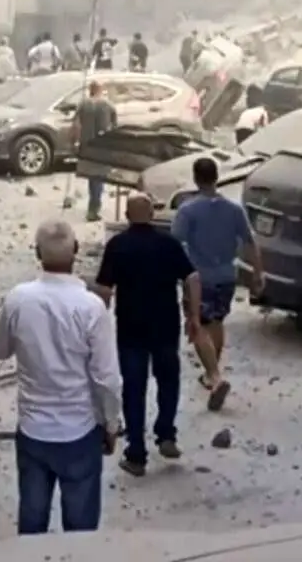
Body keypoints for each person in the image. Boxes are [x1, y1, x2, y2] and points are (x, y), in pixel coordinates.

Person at [0, 219, 122, 535]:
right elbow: (106, 378)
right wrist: (111, 424)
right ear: (76, 250)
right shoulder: (91, 307)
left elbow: (0, 351)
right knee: (80, 529)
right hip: (79, 430)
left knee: (32, 520)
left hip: (33, 429)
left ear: (37, 253)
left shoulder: (18, 299)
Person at [88, 192, 201, 477]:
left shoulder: (118, 245)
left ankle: (136, 453)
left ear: (127, 216)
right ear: (152, 215)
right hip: (166, 325)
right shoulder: (168, 243)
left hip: (131, 328)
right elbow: (192, 277)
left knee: (134, 388)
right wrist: (194, 317)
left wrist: (96, 328)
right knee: (168, 380)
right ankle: (166, 434)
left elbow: (104, 290)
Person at [171, 157, 265, 412]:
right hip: (227, 276)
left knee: (198, 324)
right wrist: (258, 273)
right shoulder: (234, 210)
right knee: (217, 322)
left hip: (198, 278)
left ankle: (214, 376)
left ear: (195, 178)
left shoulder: (188, 210)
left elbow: (174, 244)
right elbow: (250, 242)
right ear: (217, 177)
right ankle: (211, 372)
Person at [73, 81, 116, 222]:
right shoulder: (108, 105)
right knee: (98, 177)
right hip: (103, 146)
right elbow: (115, 127)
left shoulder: (83, 104)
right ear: (100, 90)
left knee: (93, 178)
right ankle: (93, 209)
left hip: (87, 146)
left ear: (90, 90)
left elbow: (76, 125)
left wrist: (76, 142)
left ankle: (93, 206)